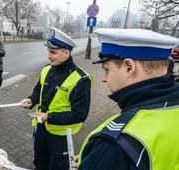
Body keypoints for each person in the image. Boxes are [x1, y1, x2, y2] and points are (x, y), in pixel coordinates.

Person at [72, 28, 179, 170]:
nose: (104, 79)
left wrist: (102, 158)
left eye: (106, 70)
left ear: (129, 67)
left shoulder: (115, 143)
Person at [20, 27, 93, 170]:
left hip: (61, 136)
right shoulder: (47, 69)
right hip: (41, 128)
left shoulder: (81, 79)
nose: (49, 56)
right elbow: (38, 90)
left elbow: (80, 115)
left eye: (53, 52)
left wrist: (50, 117)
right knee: (40, 163)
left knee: (58, 167)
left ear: (66, 53)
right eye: (49, 51)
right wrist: (31, 100)